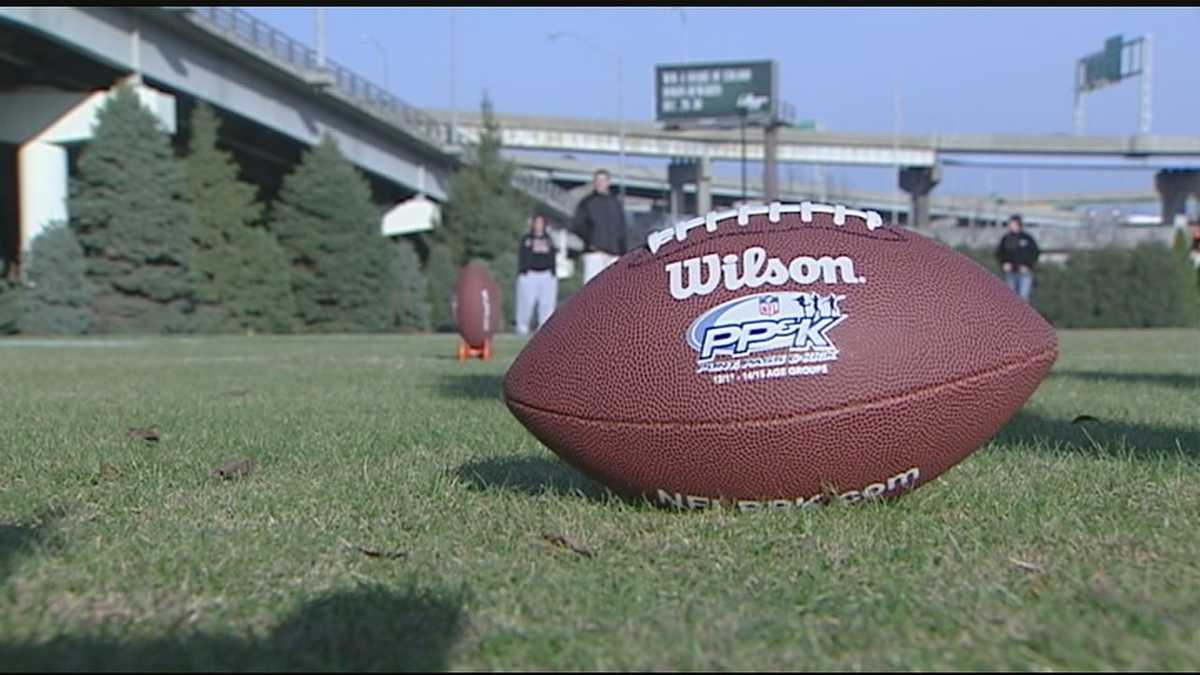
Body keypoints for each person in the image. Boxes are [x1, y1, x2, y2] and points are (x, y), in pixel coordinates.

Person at [572, 169, 627, 284]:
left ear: (608, 182)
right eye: (597, 180)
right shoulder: (587, 203)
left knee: (612, 290)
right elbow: (577, 225)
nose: (599, 183)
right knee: (591, 289)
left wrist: (623, 253)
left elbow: (622, 229)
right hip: (594, 253)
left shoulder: (616, 203)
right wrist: (590, 241)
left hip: (613, 254)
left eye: (602, 180)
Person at [515, 213, 558, 336]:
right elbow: (523, 256)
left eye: (541, 223)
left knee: (546, 305)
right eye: (537, 223)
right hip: (530, 274)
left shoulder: (549, 240)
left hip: (546, 275)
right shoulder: (526, 239)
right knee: (526, 303)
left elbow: (552, 256)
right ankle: (522, 328)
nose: (539, 226)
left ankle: (544, 330)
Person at [995, 214, 1040, 303]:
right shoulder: (1006, 238)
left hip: (1024, 272)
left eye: (1013, 224)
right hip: (1010, 272)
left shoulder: (1027, 238)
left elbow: (1035, 253)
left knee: (1024, 298)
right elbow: (999, 253)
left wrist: (1028, 266)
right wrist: (1004, 263)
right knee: (1010, 298)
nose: (1011, 226)